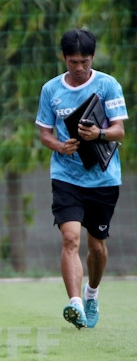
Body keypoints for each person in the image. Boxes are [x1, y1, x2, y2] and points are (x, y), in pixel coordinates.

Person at [35, 28, 127, 329]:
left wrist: (98, 134)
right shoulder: (50, 90)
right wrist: (61, 146)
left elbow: (119, 131)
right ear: (63, 58)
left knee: (97, 246)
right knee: (70, 238)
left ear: (93, 57)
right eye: (73, 61)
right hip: (66, 175)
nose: (79, 68)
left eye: (84, 61)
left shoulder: (108, 85)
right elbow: (45, 134)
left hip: (102, 177)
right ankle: (75, 304)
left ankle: (91, 293)